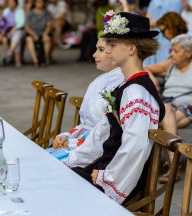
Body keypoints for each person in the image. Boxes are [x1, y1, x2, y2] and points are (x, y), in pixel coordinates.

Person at [71, 11, 165, 204]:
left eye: (113, 45)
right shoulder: (125, 85)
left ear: (131, 49)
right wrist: (75, 158)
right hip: (104, 167)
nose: (109, 50)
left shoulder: (138, 93)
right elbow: (104, 132)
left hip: (120, 180)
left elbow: (135, 147)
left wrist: (108, 179)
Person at [53, 37, 125, 168]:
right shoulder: (99, 80)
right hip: (85, 143)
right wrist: (66, 136)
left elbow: (106, 132)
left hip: (100, 155)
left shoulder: (121, 84)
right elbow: (86, 124)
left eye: (101, 50)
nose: (94, 54)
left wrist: (73, 144)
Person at [145, 34, 192, 183]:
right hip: (169, 105)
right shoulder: (170, 64)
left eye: (176, 51)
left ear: (188, 53)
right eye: (171, 50)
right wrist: (152, 78)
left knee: (161, 120)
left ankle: (171, 165)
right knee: (166, 112)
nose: (171, 54)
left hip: (191, 105)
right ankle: (174, 164)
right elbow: (145, 68)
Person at [144, 0, 182, 65]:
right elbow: (147, 20)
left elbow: (171, 20)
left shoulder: (177, 1)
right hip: (154, 36)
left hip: (167, 36)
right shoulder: (153, 1)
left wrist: (152, 24)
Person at [25, 0, 51, 67]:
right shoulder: (30, 13)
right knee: (29, 39)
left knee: (47, 39)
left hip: (43, 32)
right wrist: (33, 34)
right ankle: (35, 60)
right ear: (35, 3)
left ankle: (45, 58)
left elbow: (49, 26)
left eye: (41, 2)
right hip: (32, 32)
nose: (40, 4)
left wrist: (45, 34)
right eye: (38, 2)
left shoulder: (47, 13)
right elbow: (27, 27)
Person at [3, 0, 25, 67]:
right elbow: (3, 22)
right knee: (14, 40)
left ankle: (10, 52)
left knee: (16, 36)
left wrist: (15, 28)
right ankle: (17, 61)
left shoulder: (20, 11)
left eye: (12, 2)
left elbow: (22, 22)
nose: (11, 4)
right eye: (9, 2)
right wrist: (5, 30)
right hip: (7, 30)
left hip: (18, 29)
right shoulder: (5, 11)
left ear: (16, 3)